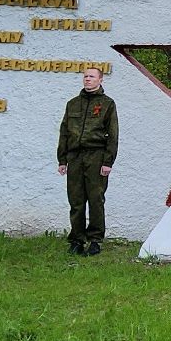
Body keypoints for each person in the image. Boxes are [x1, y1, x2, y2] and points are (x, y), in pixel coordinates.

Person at [57, 66, 119, 256]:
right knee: (76, 201)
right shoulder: (73, 104)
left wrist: (108, 161)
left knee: (95, 200)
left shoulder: (107, 104)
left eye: (92, 76)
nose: (88, 79)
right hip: (75, 156)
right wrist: (62, 159)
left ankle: (95, 241)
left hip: (96, 156)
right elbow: (64, 132)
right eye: (85, 76)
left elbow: (113, 135)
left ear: (100, 80)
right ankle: (76, 240)